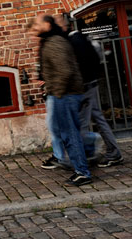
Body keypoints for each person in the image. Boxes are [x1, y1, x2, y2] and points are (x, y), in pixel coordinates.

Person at [56, 13, 124, 168]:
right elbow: (96, 60)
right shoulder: (82, 38)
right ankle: (113, 153)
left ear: (65, 26)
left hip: (83, 87)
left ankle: (85, 156)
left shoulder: (74, 42)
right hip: (91, 84)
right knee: (98, 120)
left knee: (81, 124)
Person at [32, 13, 92, 186]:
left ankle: (83, 172)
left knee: (70, 135)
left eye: (38, 24)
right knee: (69, 133)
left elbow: (65, 71)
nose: (34, 28)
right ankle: (83, 164)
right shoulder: (51, 42)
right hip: (64, 94)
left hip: (65, 96)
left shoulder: (55, 43)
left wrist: (56, 93)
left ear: (47, 26)